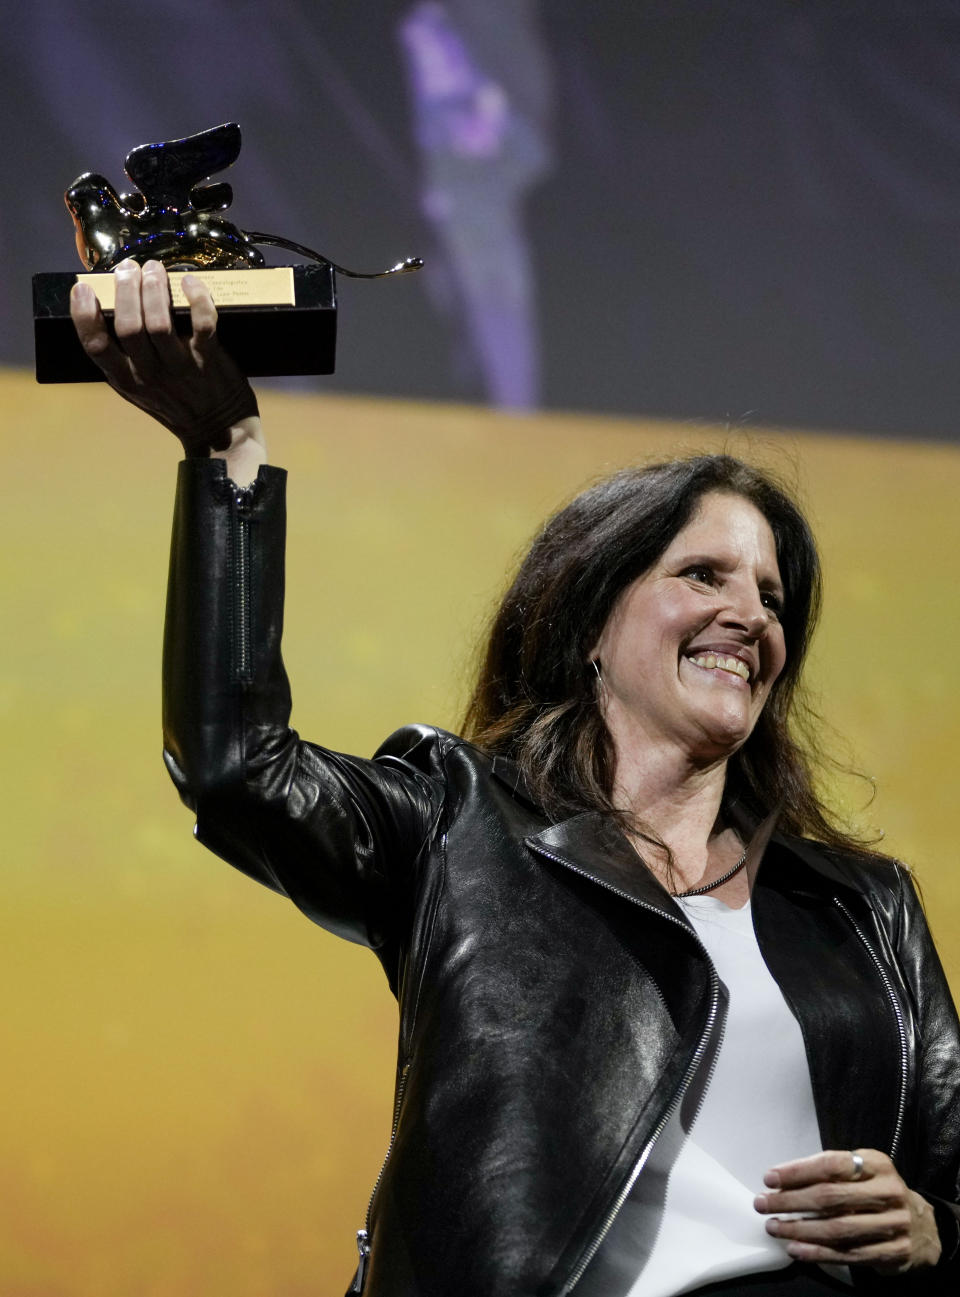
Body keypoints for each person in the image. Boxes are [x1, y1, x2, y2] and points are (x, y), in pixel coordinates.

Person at [70, 261, 960, 1297]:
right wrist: (226, 452)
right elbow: (235, 768)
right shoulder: (460, 829)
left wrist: (935, 1231)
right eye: (702, 576)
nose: (753, 617)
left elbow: (949, 1186)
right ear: (590, 626)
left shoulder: (862, 908)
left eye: (771, 597)